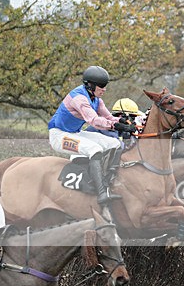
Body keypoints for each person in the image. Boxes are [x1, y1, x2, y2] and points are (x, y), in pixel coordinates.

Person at [48, 66, 137, 204]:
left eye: (105, 85)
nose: (104, 89)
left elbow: (108, 117)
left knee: (115, 144)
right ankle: (101, 193)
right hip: (58, 136)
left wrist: (122, 121)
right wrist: (115, 125)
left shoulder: (96, 99)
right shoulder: (79, 98)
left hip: (75, 133)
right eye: (101, 86)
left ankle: (110, 176)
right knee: (95, 150)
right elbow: (94, 121)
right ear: (90, 85)